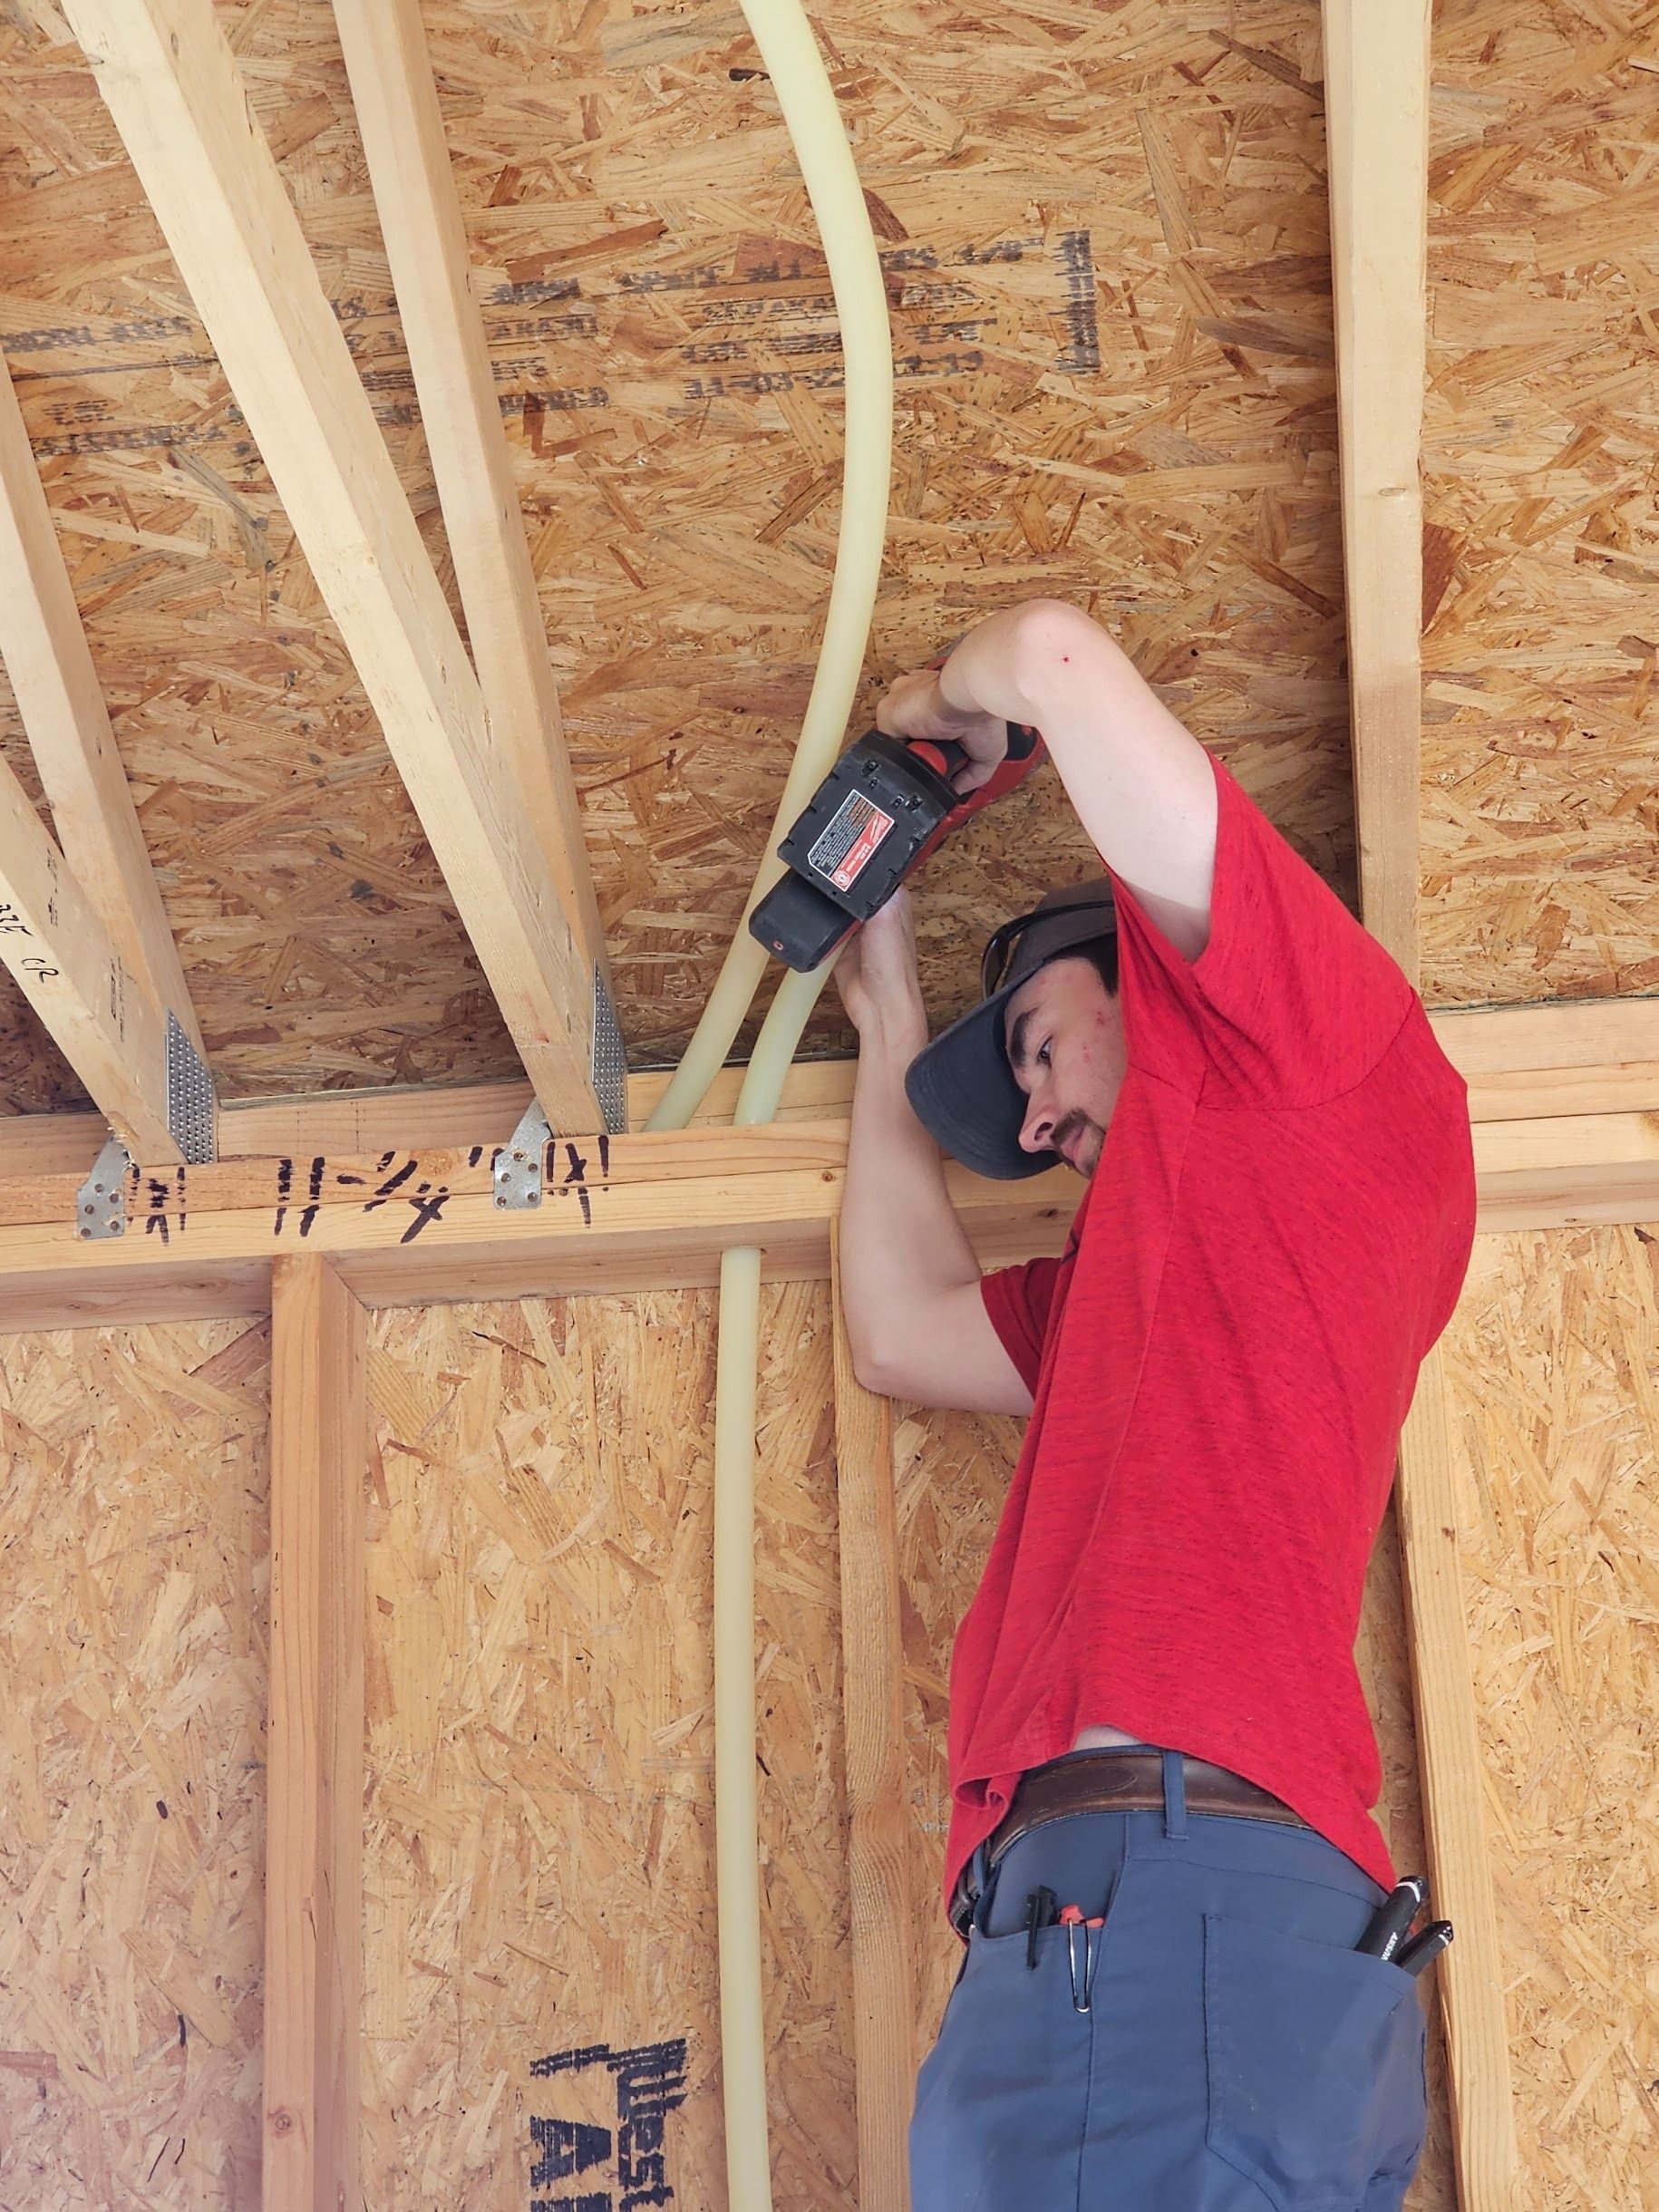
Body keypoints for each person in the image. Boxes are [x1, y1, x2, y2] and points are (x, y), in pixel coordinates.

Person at [833, 598, 1475, 2210]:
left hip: (1165, 1906)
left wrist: (950, 711)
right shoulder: (1148, 1291)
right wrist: (891, 1019)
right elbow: (901, 1332)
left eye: (1040, 1053)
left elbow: (1053, 656)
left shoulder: (1324, 1064)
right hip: (1145, 1925)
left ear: (1166, 991)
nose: (1038, 1120)